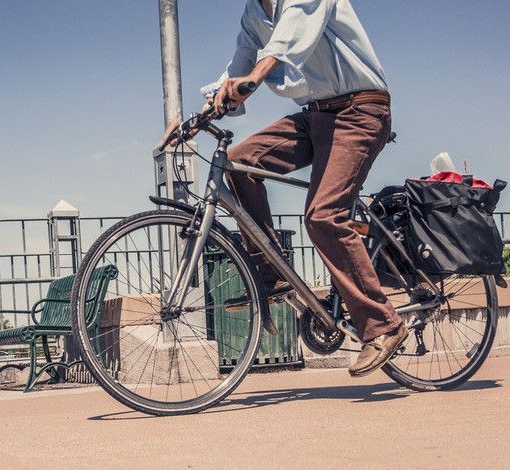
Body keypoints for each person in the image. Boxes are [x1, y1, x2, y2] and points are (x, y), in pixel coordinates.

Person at [167, 0, 407, 377]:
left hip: (361, 110)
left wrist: (256, 77)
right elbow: (239, 65)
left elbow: (289, 38)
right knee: (242, 162)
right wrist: (196, 119)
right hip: (317, 113)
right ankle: (270, 273)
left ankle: (382, 325)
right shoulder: (253, 14)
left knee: (324, 216)